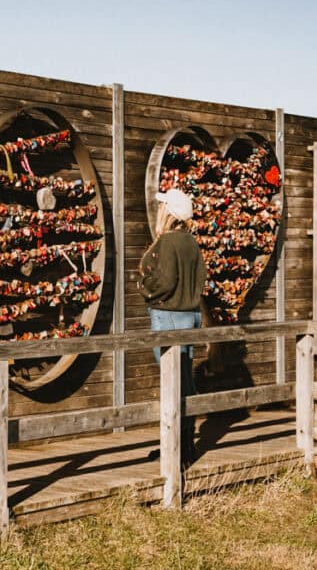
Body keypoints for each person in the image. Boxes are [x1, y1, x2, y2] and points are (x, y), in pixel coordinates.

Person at [138, 188, 207, 463]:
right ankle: (184, 443)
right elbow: (201, 278)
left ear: (169, 212)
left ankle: (175, 447)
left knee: (172, 382)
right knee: (184, 379)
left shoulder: (167, 242)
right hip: (189, 315)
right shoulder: (190, 242)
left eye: (163, 205)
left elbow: (163, 282)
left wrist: (144, 287)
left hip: (168, 315)